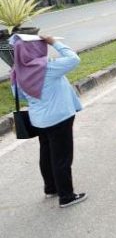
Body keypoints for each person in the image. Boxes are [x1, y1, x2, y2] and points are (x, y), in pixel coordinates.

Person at [10, 35, 86, 208]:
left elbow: (19, 96)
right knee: (62, 158)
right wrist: (54, 42)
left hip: (38, 120)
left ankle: (51, 187)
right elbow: (74, 59)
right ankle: (66, 196)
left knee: (46, 154)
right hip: (59, 118)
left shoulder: (17, 71)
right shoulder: (47, 68)